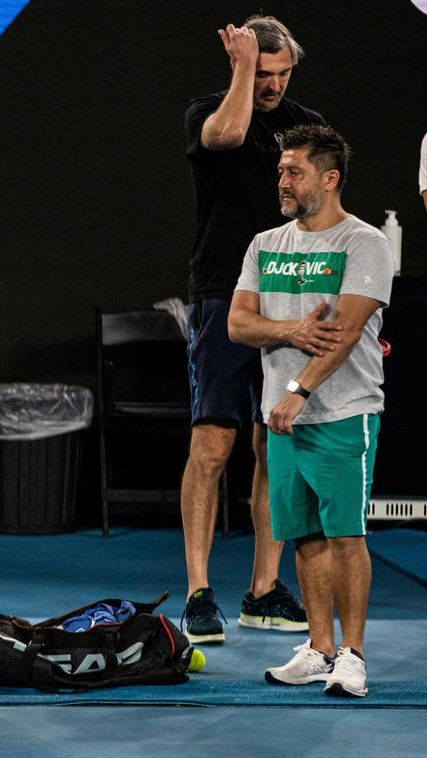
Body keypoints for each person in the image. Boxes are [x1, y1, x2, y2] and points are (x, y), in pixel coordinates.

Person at [228, 124, 393, 698]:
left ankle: (353, 655)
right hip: (283, 418)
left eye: (294, 171)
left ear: (330, 178)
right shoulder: (264, 244)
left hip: (342, 412)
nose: (283, 180)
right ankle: (319, 648)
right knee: (306, 536)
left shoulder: (364, 243)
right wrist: (291, 332)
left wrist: (298, 389)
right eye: (281, 171)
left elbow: (344, 332)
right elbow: (237, 324)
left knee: (346, 536)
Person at [180, 15, 324, 643]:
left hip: (290, 302)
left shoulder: (307, 130)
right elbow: (230, 133)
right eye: (261, 72)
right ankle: (198, 592)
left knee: (276, 444)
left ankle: (264, 590)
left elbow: (323, 212)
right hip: (222, 297)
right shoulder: (208, 111)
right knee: (213, 445)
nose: (272, 84)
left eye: (280, 73)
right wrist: (239, 70)